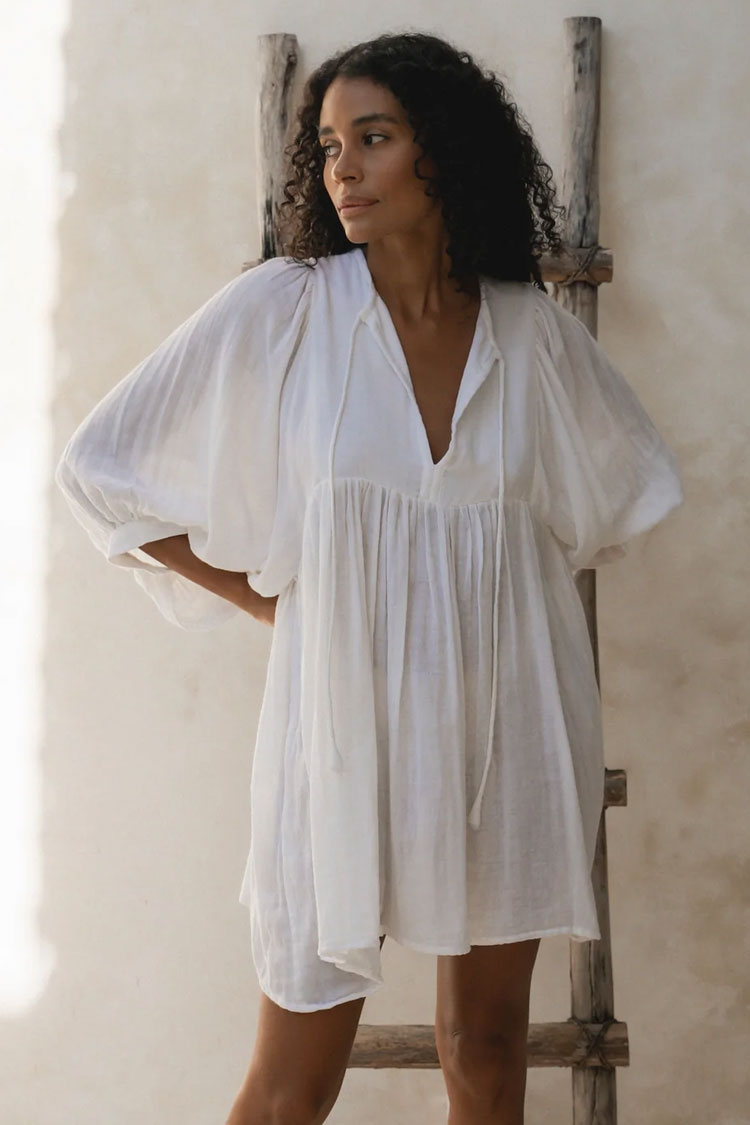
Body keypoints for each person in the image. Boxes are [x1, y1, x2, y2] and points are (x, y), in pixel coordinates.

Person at [55, 29, 685, 1125]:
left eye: (374, 138)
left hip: (506, 737)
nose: (342, 167)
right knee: (292, 1082)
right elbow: (99, 467)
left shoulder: (532, 335)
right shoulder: (288, 309)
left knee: (486, 1049)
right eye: (329, 145)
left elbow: (621, 493)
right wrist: (273, 602)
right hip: (337, 737)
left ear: (444, 151)